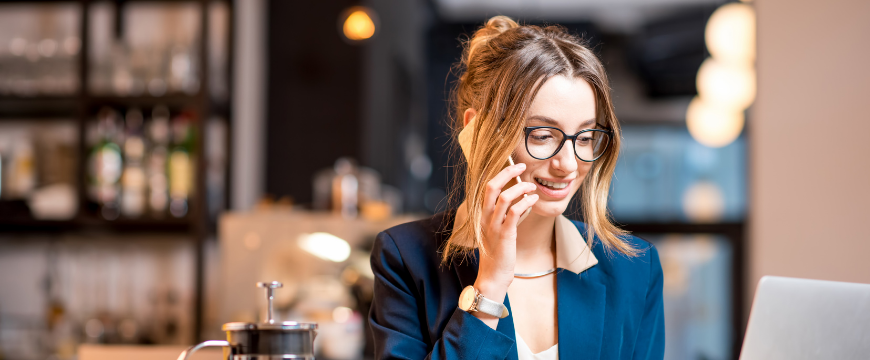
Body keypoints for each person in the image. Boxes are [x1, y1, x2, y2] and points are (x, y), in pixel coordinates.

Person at [369, 16, 664, 360]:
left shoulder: (634, 269)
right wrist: (490, 285)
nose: (568, 164)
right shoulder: (405, 258)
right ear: (477, 133)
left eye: (585, 138)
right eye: (541, 136)